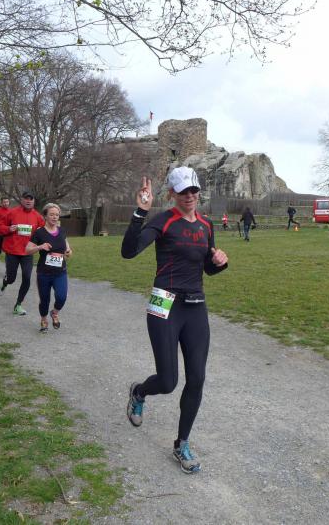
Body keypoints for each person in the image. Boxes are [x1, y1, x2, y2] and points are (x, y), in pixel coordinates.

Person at [122, 167, 229, 474]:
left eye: (194, 190)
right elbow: (129, 251)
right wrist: (140, 213)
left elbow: (207, 267)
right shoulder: (163, 220)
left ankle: (182, 443)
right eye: (183, 191)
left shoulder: (206, 225)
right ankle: (139, 392)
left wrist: (220, 262)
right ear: (172, 193)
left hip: (195, 306)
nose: (190, 196)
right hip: (164, 302)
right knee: (168, 381)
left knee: (197, 378)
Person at [0, 192, 45, 315]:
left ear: (34, 201)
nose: (28, 201)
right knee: (11, 278)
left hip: (28, 252)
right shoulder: (12, 213)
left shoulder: (37, 216)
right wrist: (8, 229)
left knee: (27, 278)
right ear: (21, 200)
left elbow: (44, 231)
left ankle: (18, 305)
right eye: (26, 199)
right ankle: (5, 282)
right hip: (12, 251)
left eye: (31, 199)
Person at [25, 203, 72, 332]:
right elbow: (27, 250)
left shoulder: (62, 231)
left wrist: (68, 252)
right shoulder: (39, 232)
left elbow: (68, 249)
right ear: (45, 216)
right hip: (44, 273)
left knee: (61, 297)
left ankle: (54, 313)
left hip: (60, 272)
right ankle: (44, 319)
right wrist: (40, 247)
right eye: (51, 214)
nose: (55, 217)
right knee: (44, 299)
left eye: (57, 215)